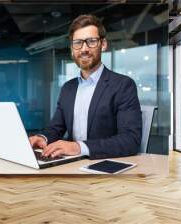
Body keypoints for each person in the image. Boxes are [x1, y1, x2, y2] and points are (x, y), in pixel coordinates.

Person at [29, 14, 142, 160]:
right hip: (70, 165)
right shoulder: (67, 88)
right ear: (72, 48)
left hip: (105, 167)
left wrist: (79, 147)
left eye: (91, 41)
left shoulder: (123, 85)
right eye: (78, 43)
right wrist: (43, 138)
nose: (84, 49)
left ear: (103, 44)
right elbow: (56, 128)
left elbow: (130, 140)